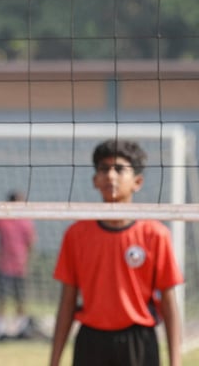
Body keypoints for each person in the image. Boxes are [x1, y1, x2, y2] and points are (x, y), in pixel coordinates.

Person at [49, 139, 183, 366]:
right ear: (95, 180)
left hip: (138, 340)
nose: (111, 176)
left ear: (137, 182)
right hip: (91, 340)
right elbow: (67, 301)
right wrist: (54, 361)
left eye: (119, 169)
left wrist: (175, 362)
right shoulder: (76, 234)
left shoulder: (155, 234)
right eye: (104, 169)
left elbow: (169, 303)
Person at [0, 190, 36, 339]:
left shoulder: (26, 221)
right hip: (3, 267)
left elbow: (31, 243)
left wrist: (26, 261)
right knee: (2, 299)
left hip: (20, 268)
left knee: (20, 300)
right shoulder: (1, 220)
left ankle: (21, 329)